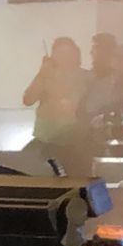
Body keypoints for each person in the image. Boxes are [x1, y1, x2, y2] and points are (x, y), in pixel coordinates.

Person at [23, 37, 91, 176]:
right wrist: (42, 74)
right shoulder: (45, 76)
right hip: (45, 142)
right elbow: (28, 99)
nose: (64, 58)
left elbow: (76, 106)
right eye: (59, 53)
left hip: (74, 145)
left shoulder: (85, 77)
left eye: (68, 53)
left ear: (76, 55)